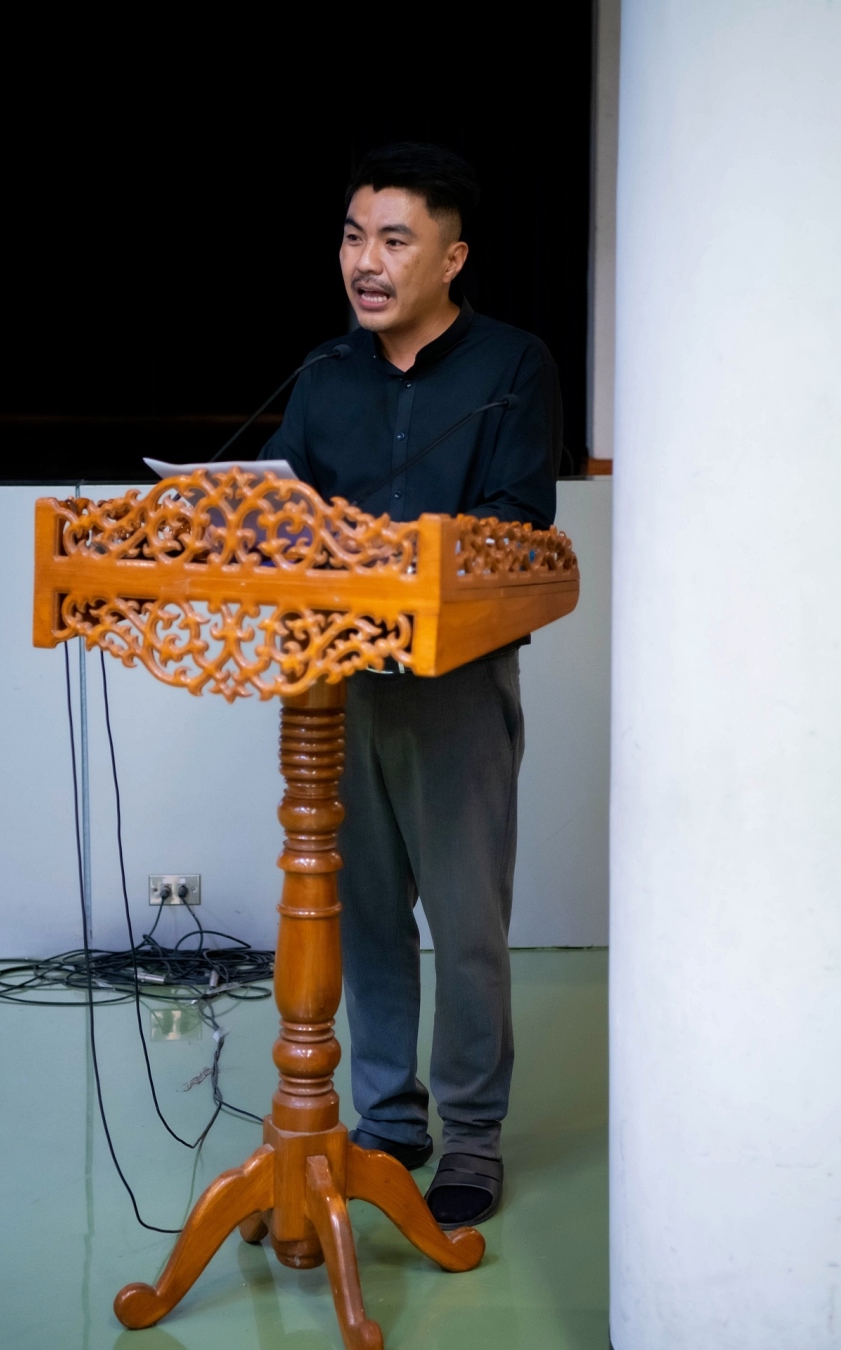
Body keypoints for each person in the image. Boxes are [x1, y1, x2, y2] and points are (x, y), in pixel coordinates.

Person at [259, 142, 561, 1227]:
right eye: (352, 237)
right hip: (333, 682)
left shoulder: (511, 365)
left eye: (393, 240)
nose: (365, 262)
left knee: (466, 921)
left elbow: (519, 522)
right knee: (366, 914)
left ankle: (470, 1138)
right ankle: (388, 1121)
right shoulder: (323, 373)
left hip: (451, 683)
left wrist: (395, 559)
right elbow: (277, 510)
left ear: (451, 257)